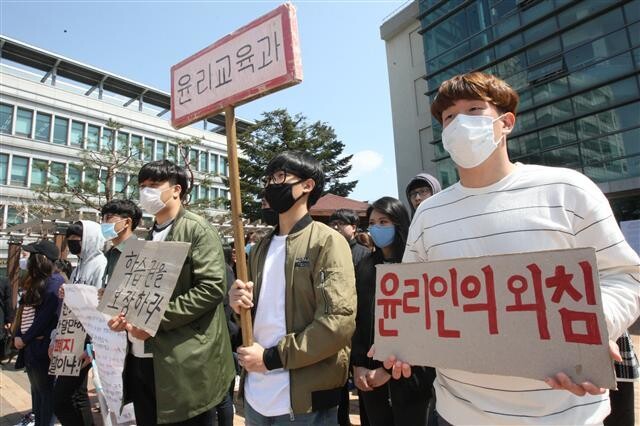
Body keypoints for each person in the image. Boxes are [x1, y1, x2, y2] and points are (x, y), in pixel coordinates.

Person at [381, 72, 640, 425]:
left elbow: (622, 275)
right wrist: (402, 344)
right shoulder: (428, 213)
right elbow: (415, 300)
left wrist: (592, 328)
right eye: (450, 117)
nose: (460, 124)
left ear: (506, 123)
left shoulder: (567, 190)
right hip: (457, 412)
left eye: (474, 110)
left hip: (563, 414)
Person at [229, 151, 357, 425]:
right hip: (256, 395)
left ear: (307, 186)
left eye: (280, 177)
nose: (270, 185)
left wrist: (272, 358)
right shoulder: (260, 247)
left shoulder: (327, 242)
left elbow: (337, 323)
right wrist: (237, 303)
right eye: (269, 179)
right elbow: (254, 312)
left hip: (305, 400)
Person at [108, 160, 234, 425]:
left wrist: (153, 321)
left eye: (154, 186)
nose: (146, 193)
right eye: (142, 186)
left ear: (176, 190)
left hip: (181, 362)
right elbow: (140, 294)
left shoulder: (197, 229)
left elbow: (211, 288)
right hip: (142, 358)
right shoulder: (147, 237)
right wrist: (123, 316)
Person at [351, 197, 435, 426]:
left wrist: (386, 371)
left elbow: (423, 325)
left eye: (383, 221)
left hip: (411, 377)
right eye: (372, 222)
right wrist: (357, 364)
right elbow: (358, 319)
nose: (376, 228)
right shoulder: (366, 266)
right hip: (369, 379)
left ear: (399, 223)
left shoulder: (416, 264)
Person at [53, 221, 107, 426]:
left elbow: (97, 301)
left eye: (76, 240)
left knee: (63, 397)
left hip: (86, 336)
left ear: (89, 239)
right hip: (73, 334)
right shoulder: (80, 265)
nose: (72, 244)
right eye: (70, 240)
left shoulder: (100, 264)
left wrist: (92, 343)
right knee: (76, 395)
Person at [15, 240, 64, 426]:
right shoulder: (37, 281)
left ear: (42, 259)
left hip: (41, 347)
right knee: (36, 390)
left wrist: (24, 339)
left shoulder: (55, 282)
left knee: (45, 392)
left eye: (31, 256)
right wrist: (19, 335)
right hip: (31, 346)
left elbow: (44, 318)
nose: (27, 259)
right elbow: (25, 311)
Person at [99, 199, 143, 290]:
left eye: (108, 217)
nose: (103, 223)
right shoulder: (111, 253)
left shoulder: (139, 252)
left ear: (127, 222)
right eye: (102, 218)